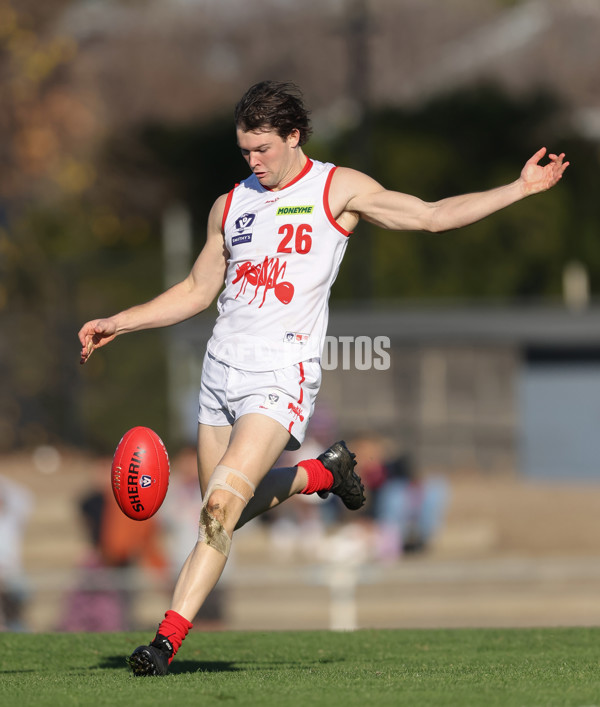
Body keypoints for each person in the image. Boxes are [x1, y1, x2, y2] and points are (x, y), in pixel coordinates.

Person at [77, 80, 568, 675]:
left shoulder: (338, 189)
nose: (253, 162)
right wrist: (118, 322)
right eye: (244, 152)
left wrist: (519, 187)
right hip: (219, 373)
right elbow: (196, 290)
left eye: (262, 149)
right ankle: (320, 472)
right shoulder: (229, 206)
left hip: (280, 375)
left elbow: (432, 217)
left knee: (217, 514)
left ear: (293, 136)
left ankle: (165, 642)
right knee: (224, 507)